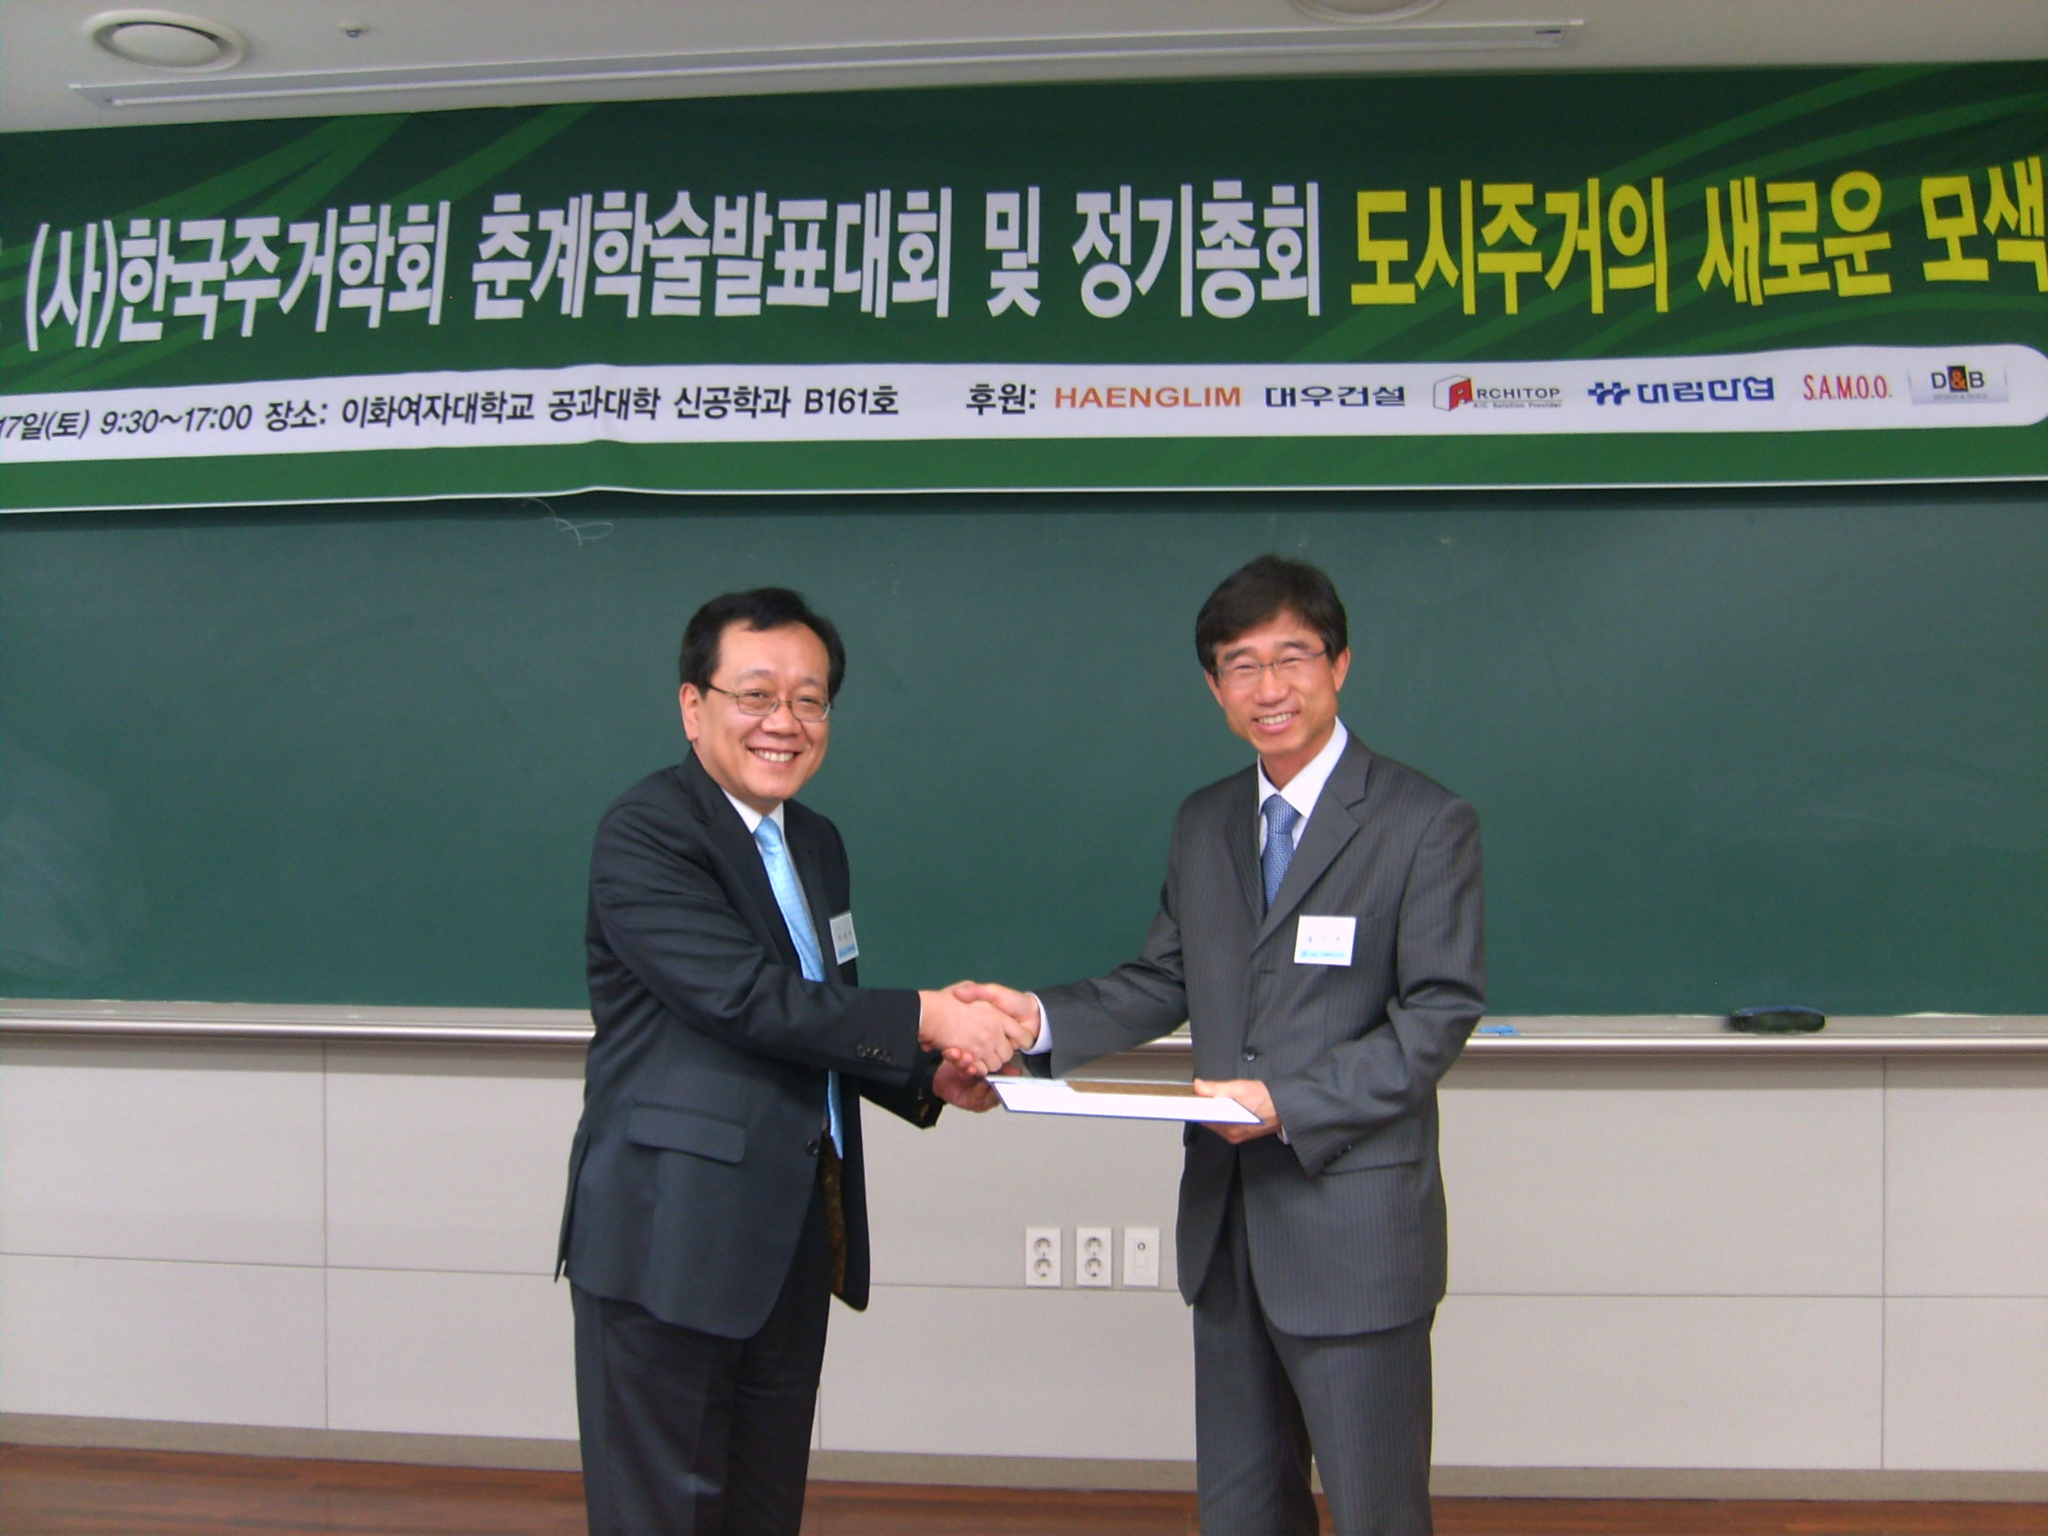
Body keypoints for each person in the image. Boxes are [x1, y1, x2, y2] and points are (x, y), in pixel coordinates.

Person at [965, 555, 1485, 1536]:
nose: (1268, 686)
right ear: (1214, 688)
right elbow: (1165, 978)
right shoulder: (1205, 821)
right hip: (1226, 1229)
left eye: (1292, 657)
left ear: (1339, 664)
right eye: (1239, 665)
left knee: (1376, 1513)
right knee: (1242, 1512)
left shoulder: (1422, 822)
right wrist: (1032, 1021)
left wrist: (1290, 1101)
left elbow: (1436, 1012)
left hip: (1353, 1230)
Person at [558, 586, 1032, 1536]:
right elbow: (744, 999)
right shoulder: (647, 831)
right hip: (670, 1238)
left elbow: (815, 1013)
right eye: (756, 695)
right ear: (693, 706)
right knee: (663, 1515)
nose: (785, 722)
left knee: (763, 1509)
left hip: (789, 1235)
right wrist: (930, 1015)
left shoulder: (815, 842)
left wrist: (926, 1075)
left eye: (809, 700)